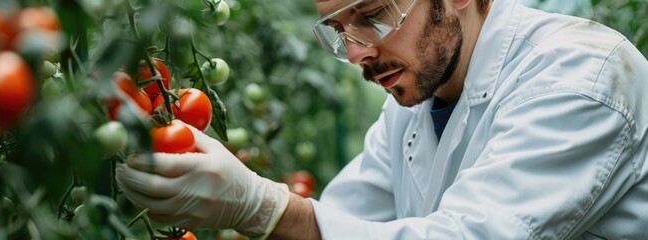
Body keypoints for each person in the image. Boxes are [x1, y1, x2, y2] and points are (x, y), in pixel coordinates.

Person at [115, 0, 648, 239]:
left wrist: (262, 208)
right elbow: (341, 219)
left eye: (372, 17)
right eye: (339, 29)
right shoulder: (416, 103)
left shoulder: (580, 74)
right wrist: (231, 192)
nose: (356, 52)